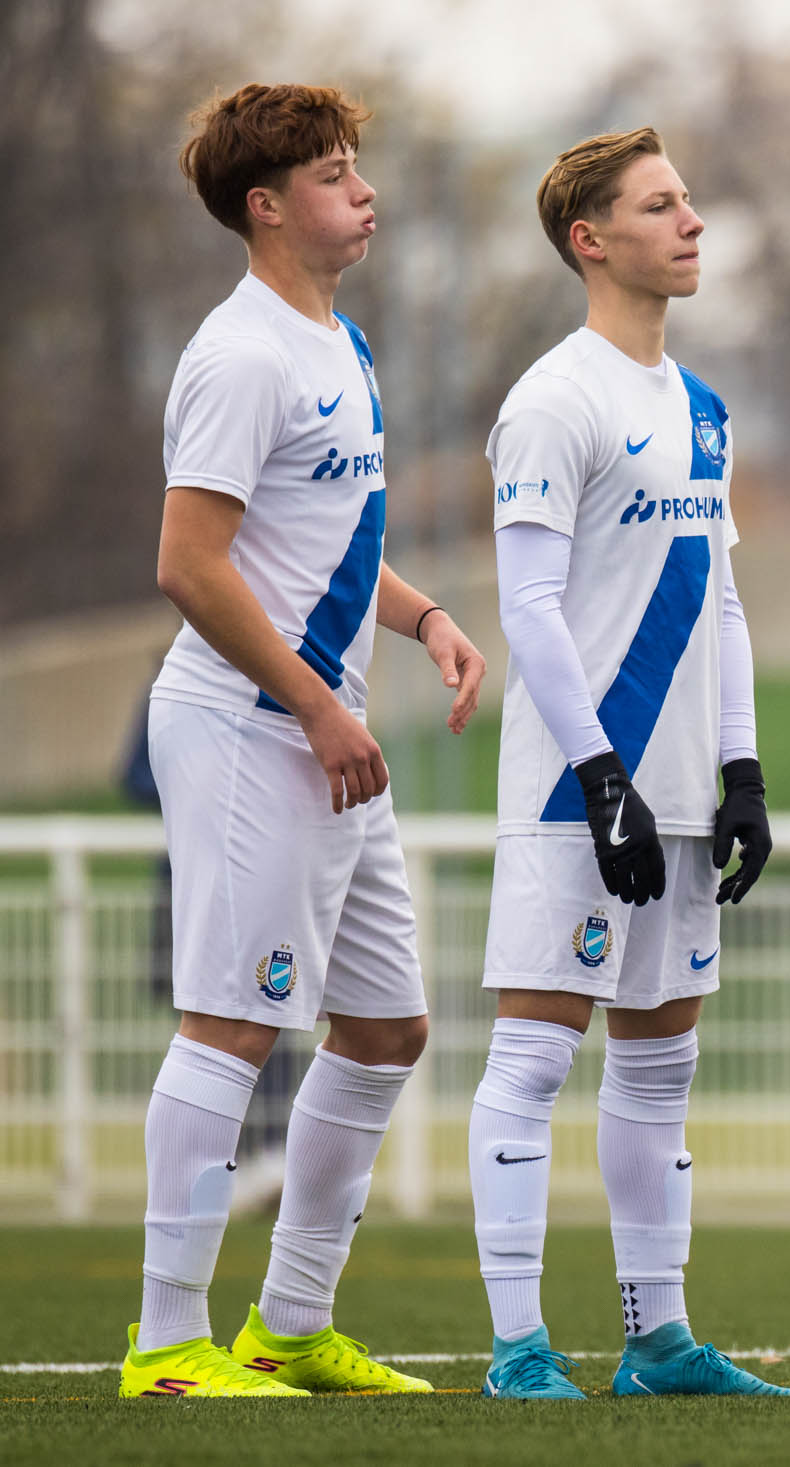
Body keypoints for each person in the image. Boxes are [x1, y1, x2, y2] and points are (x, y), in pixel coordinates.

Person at [121, 82, 487, 1400]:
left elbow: (325, 544)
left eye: (359, 168)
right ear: (267, 207)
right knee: (231, 1027)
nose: (364, 191)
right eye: (335, 174)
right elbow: (191, 564)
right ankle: (167, 1345)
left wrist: (425, 616)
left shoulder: (339, 337)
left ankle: (287, 1324)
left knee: (387, 1027)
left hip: (325, 732)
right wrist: (322, 706)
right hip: (248, 730)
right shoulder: (242, 354)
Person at [464, 126, 790, 1402]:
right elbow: (532, 609)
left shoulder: (702, 406)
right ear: (589, 240)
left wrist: (744, 771)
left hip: (678, 800)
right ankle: (517, 1350)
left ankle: (658, 1341)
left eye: (691, 201)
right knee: (536, 1059)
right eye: (662, 207)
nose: (693, 222)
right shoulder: (553, 400)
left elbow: (720, 603)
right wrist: (599, 774)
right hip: (576, 794)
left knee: (661, 1063)